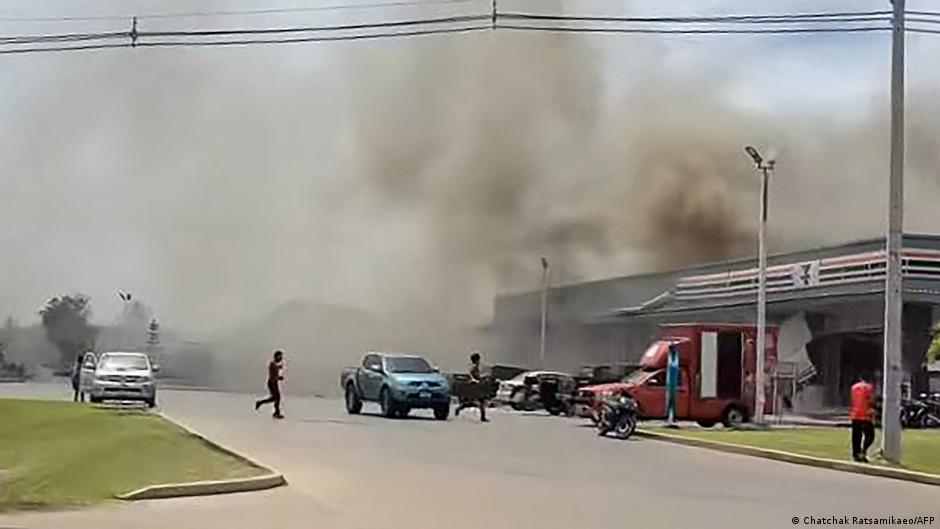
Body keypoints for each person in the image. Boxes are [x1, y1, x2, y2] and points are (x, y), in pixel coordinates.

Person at [455, 352, 488, 422]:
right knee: (476, 402)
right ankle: (483, 417)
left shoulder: (475, 367)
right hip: (474, 387)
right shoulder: (474, 367)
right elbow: (472, 376)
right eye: (478, 359)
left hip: (476, 386)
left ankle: (483, 417)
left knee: (476, 402)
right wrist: (477, 380)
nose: (479, 361)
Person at [849, 373, 875, 462]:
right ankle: (863, 450)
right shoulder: (869, 388)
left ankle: (856, 454)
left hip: (855, 415)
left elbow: (853, 400)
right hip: (865, 416)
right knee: (870, 435)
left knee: (856, 436)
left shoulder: (854, 387)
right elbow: (870, 400)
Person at [255, 350, 285, 419]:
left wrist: (279, 368)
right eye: (280, 356)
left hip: (273, 382)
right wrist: (279, 377)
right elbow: (272, 375)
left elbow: (275, 371)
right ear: (276, 356)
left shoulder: (274, 364)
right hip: (272, 383)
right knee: (276, 398)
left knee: (275, 398)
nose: (281, 358)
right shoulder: (272, 364)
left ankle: (260, 403)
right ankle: (276, 413)